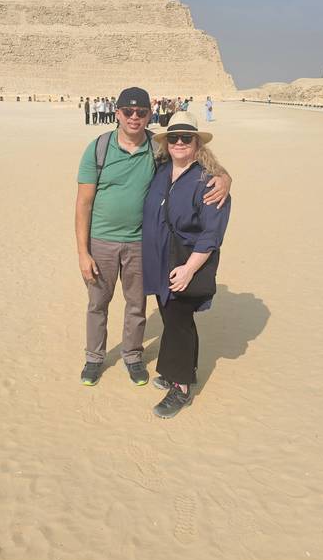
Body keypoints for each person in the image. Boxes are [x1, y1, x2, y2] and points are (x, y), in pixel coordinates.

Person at [75, 87, 232, 388]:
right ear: (117, 113)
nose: (134, 117)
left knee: (136, 303)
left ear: (149, 115)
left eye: (141, 112)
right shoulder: (98, 149)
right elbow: (83, 203)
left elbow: (197, 162)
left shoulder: (155, 148)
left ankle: (133, 356)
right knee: (98, 302)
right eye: (128, 111)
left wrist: (225, 178)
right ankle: (94, 358)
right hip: (102, 241)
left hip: (138, 243)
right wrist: (83, 252)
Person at [142, 111, 231, 418]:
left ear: (197, 144)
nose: (179, 143)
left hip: (183, 262)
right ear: (166, 143)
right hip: (159, 260)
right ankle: (170, 370)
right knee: (171, 317)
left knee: (179, 321)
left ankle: (181, 387)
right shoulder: (161, 170)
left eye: (186, 138)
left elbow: (211, 233)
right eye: (173, 138)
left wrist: (190, 269)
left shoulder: (208, 181)